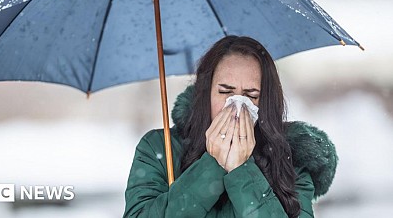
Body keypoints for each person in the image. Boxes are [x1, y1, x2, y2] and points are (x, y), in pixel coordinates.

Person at [123, 36, 337, 217]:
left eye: (251, 95)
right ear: (205, 93)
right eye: (225, 92)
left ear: (266, 103)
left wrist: (241, 169)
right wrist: (212, 165)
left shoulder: (292, 160)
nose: (236, 106)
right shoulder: (160, 149)